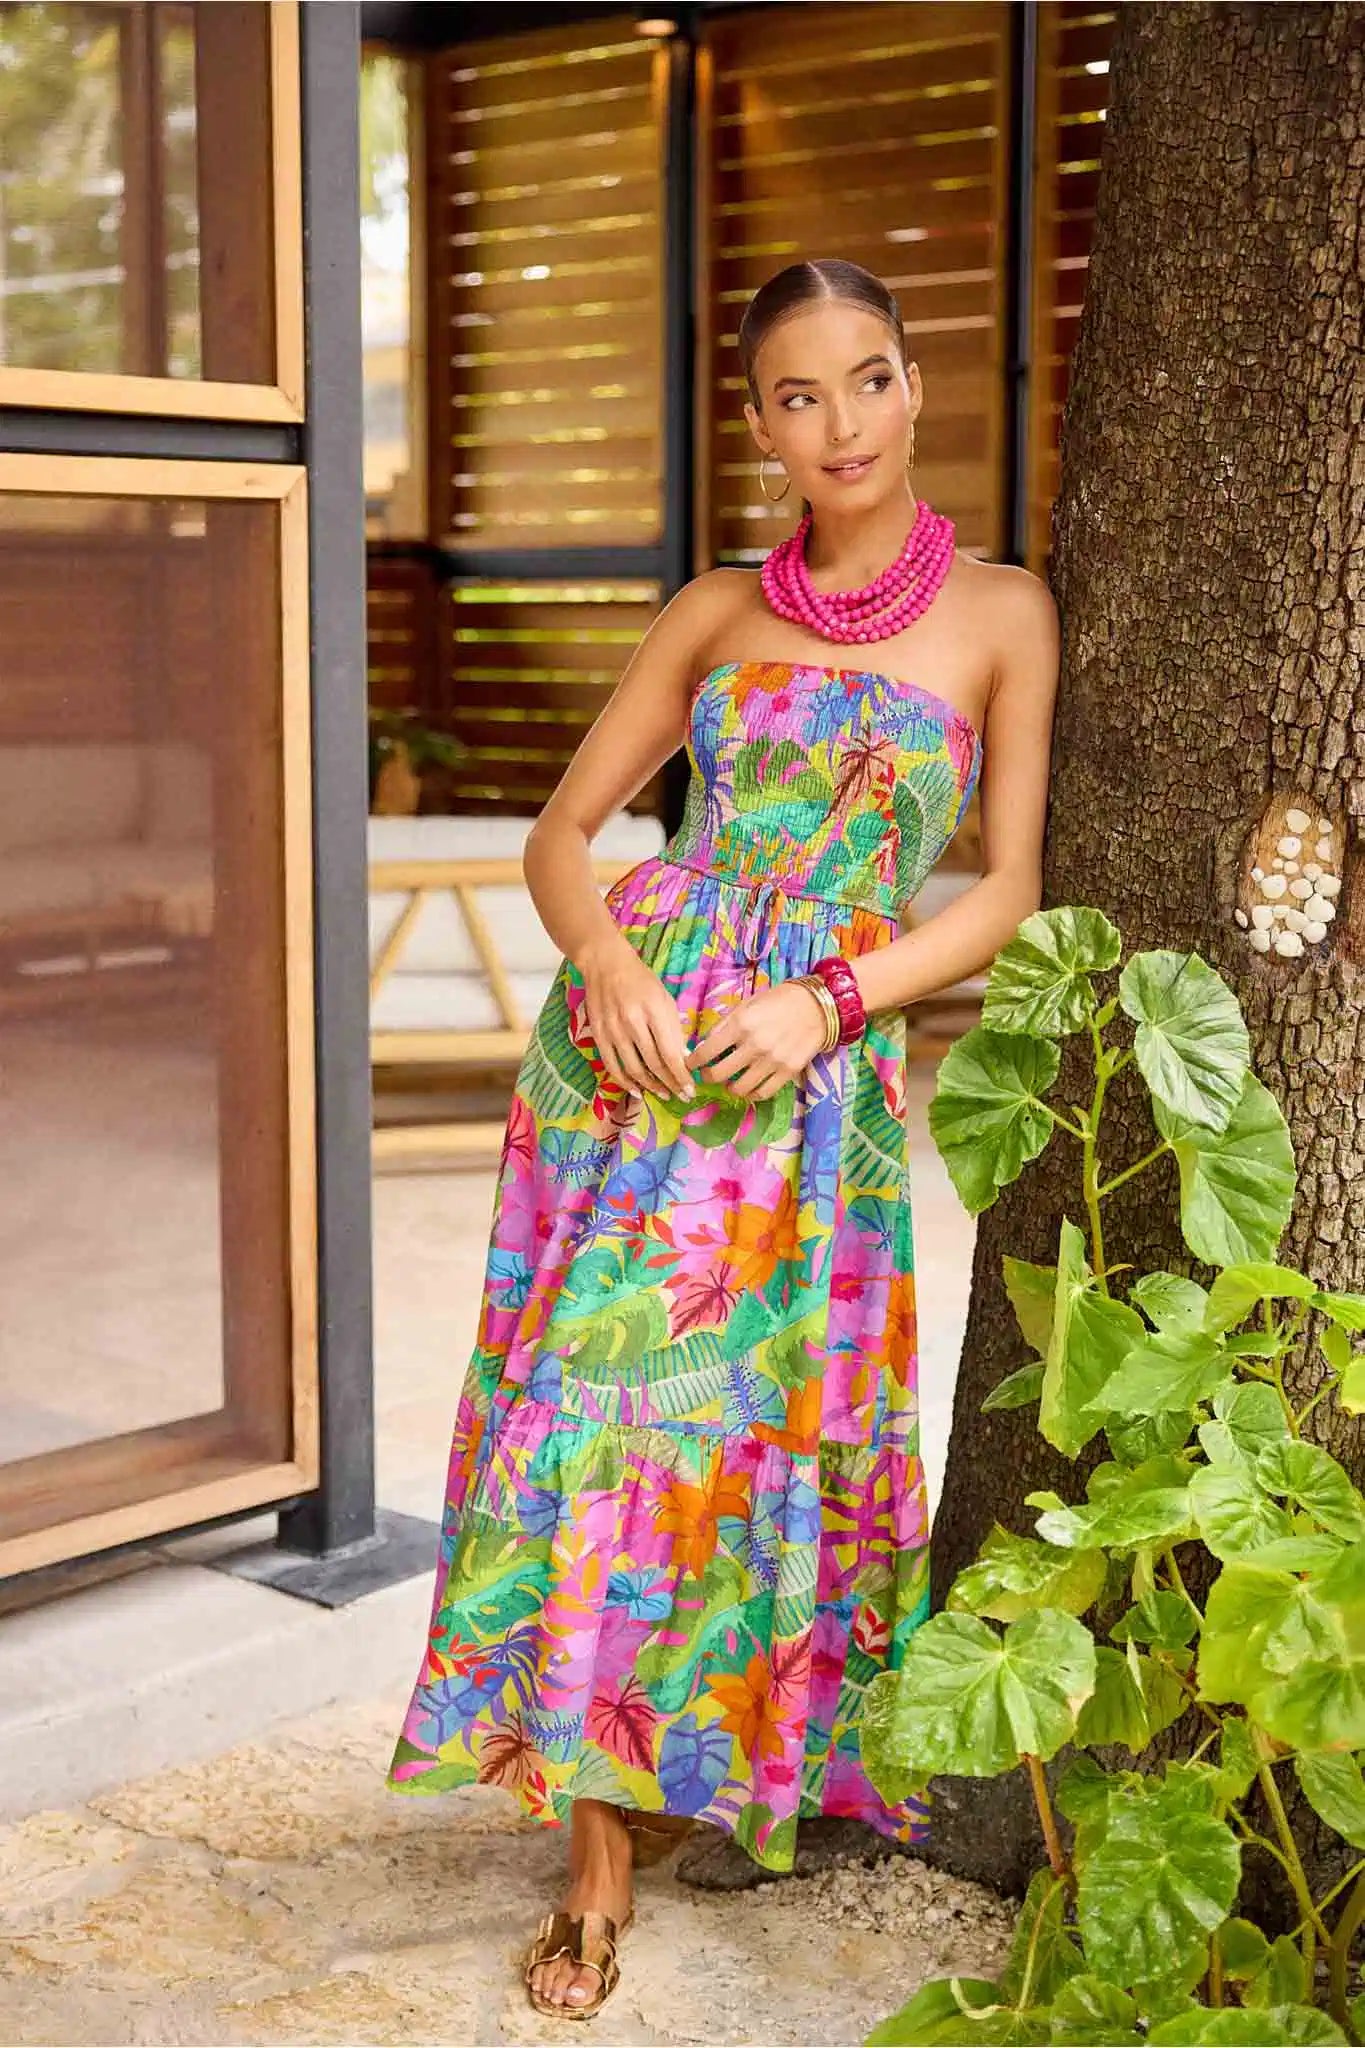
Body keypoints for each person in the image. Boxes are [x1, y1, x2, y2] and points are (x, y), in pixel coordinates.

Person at [385, 256, 1059, 2019]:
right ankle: (596, 1860)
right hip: (634, 1057)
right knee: (593, 1419)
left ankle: (713, 1760)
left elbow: (1005, 887)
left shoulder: (1002, 613)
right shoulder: (710, 608)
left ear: (915, 386)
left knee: (756, 1437)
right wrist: (609, 961)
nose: (839, 423)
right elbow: (560, 835)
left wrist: (830, 1002)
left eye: (868, 378)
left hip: (812, 1078)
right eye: (796, 393)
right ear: (758, 422)